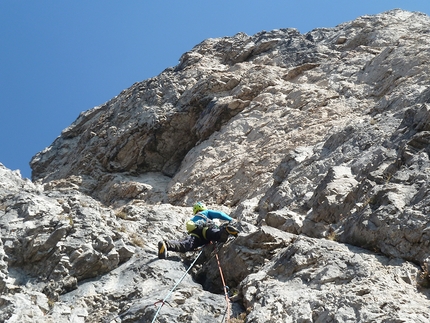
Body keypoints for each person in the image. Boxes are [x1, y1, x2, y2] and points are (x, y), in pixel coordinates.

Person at [158, 202, 239, 259]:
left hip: (195, 233)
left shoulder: (193, 218)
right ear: (203, 208)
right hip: (206, 229)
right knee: (217, 235)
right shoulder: (206, 212)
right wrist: (231, 219)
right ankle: (226, 230)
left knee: (186, 244)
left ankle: (167, 244)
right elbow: (220, 214)